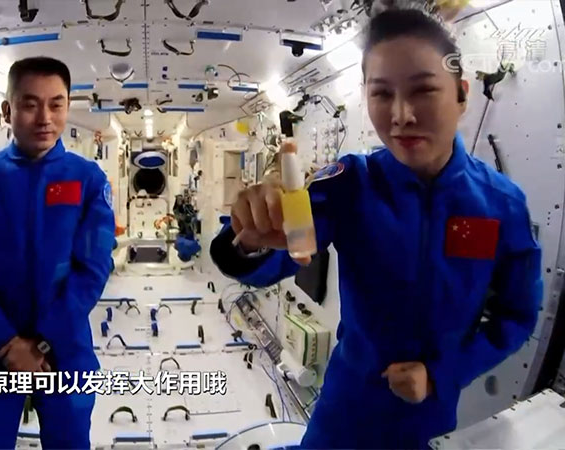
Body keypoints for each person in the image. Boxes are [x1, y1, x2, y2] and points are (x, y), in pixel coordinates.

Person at [210, 8, 542, 449]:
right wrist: (250, 234)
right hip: (344, 413)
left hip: (431, 416)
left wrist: (443, 374)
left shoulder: (501, 205)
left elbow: (516, 316)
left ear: (462, 96)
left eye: (423, 90)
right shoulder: (351, 183)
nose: (401, 114)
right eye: (382, 94)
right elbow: (282, 252)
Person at [0, 57, 115, 449]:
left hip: (64, 349)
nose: (44, 118)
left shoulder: (87, 180)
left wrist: (39, 343)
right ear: (8, 110)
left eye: (56, 104)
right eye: (30, 104)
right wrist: (7, 341)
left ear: (67, 107)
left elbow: (92, 269)